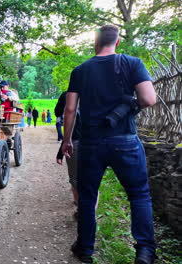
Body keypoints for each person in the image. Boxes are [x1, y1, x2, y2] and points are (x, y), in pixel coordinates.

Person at [61, 25, 157, 264]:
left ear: (95, 43)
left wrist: (66, 141)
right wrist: (129, 105)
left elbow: (70, 109)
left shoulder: (80, 70)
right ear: (117, 43)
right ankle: (145, 252)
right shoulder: (132, 63)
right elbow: (148, 98)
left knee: (87, 196)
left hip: (91, 143)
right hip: (125, 140)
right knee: (139, 196)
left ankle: (85, 249)